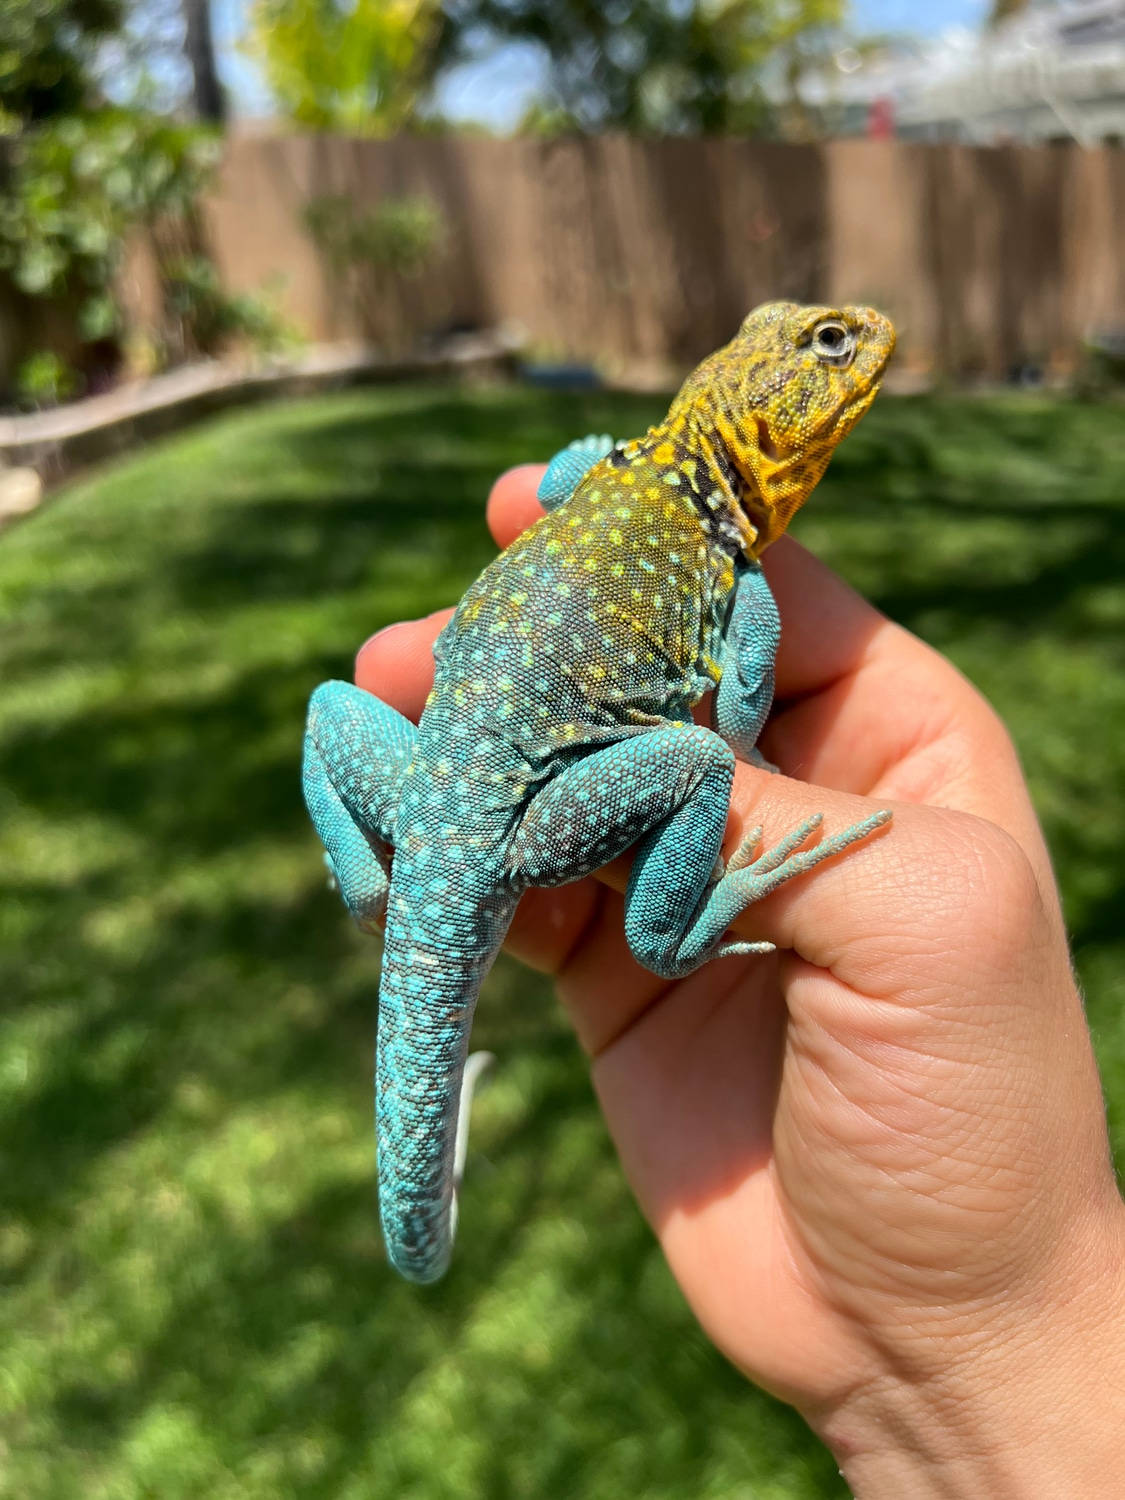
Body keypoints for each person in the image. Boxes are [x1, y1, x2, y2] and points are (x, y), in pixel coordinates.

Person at [356, 463, 1125, 1496]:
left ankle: (366, 879)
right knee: (704, 770)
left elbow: (567, 470)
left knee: (338, 701)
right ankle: (671, 939)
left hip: (433, 798)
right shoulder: (727, 555)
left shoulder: (618, 469)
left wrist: (957, 1356)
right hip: (510, 823)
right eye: (823, 351)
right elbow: (739, 702)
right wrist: (741, 753)